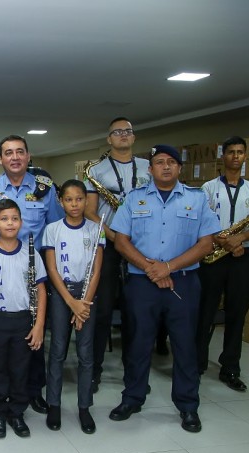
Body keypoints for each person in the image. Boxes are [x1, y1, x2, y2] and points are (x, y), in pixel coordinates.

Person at [109, 145, 219, 433]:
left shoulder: (197, 199)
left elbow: (206, 244)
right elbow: (121, 241)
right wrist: (151, 269)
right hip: (142, 283)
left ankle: (188, 406)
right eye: (159, 162)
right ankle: (132, 398)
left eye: (171, 162)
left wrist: (167, 268)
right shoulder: (134, 199)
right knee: (138, 345)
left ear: (179, 168)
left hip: (183, 282)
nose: (166, 167)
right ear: (151, 168)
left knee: (185, 346)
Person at [0, 135, 64, 415]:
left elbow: (55, 229)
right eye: (8, 153)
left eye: (20, 152)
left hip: (32, 273)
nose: (14, 157)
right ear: (0, 159)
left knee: (32, 340)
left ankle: (32, 392)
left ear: (28, 156)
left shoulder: (44, 189)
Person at [83, 117, 152, 393]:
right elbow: (90, 211)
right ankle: (95, 370)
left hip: (143, 245)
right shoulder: (97, 171)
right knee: (101, 313)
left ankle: (134, 375)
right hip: (109, 246)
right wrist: (116, 238)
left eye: (128, 131)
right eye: (117, 132)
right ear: (109, 138)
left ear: (133, 137)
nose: (123, 135)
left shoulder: (149, 167)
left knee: (136, 314)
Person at [0, 199, 47, 438]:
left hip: (23, 320)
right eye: (4, 219)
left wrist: (38, 326)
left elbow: (42, 292)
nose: (10, 223)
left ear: (21, 222)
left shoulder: (31, 253)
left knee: (20, 370)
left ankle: (16, 413)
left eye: (15, 218)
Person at [196, 136, 249, 391]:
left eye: (240, 152)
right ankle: (197, 362)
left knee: (237, 314)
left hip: (241, 258)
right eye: (231, 152)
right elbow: (201, 223)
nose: (236, 156)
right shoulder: (208, 188)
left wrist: (239, 239)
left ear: (245, 156)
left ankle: (230, 368)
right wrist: (223, 241)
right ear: (222, 156)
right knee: (205, 312)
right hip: (213, 256)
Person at [41, 180, 104, 434]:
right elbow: (52, 269)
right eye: (69, 199)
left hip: (87, 295)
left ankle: (84, 406)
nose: (75, 204)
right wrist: (71, 303)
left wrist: (84, 304)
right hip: (61, 294)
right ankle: (53, 404)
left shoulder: (95, 229)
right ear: (61, 201)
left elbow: (97, 269)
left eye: (79, 199)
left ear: (86, 201)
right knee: (57, 350)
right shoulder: (52, 230)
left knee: (86, 353)